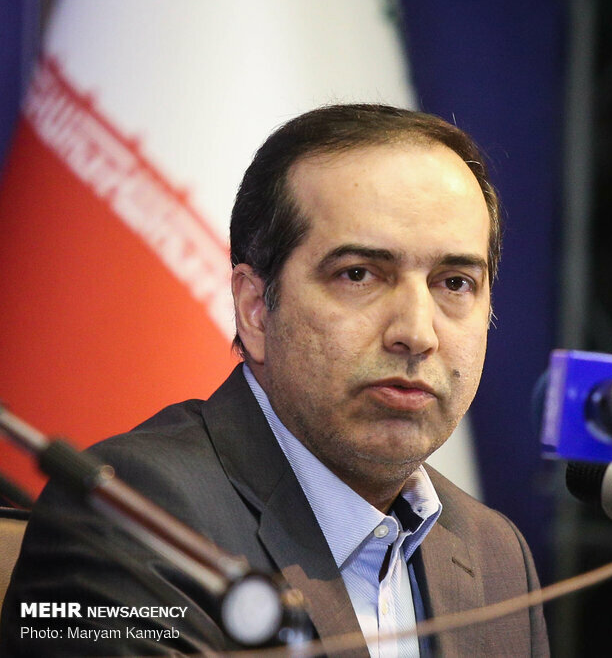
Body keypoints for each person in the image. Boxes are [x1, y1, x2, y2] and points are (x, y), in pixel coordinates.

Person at [1, 104, 549, 656]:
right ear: (256, 309)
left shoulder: (496, 554)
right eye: (358, 274)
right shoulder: (134, 516)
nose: (416, 333)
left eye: (454, 282)